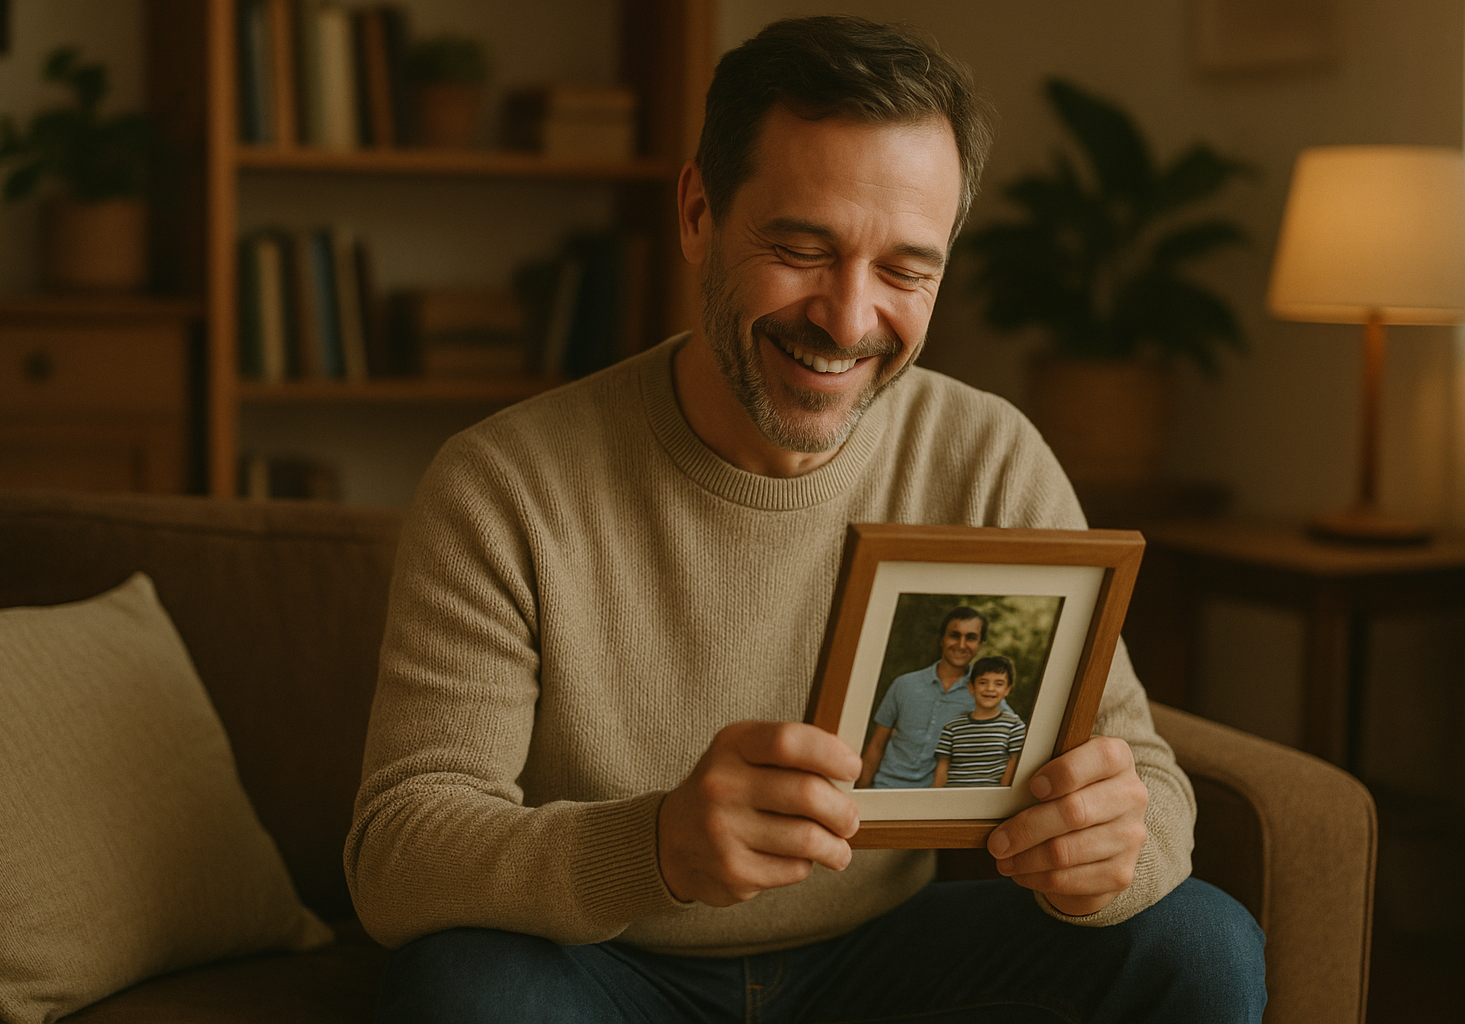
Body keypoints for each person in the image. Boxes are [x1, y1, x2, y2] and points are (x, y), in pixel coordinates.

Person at [347, 15, 1266, 1023]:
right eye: (801, 247)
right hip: (608, 972)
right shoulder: (503, 486)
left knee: (1203, 944)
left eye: (906, 270)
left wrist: (1109, 854)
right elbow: (401, 849)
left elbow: (1144, 775)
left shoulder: (988, 457)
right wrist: (653, 847)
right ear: (699, 211)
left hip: (889, 964)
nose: (847, 316)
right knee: (458, 990)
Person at [858, 606, 1003, 788]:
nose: (961, 644)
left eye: (971, 638)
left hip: (933, 800)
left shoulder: (986, 693)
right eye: (954, 635)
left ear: (981, 645)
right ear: (942, 639)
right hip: (885, 787)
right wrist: (861, 792)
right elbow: (877, 744)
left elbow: (1011, 741)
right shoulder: (905, 684)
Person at [933, 655, 1027, 788]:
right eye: (983, 682)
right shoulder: (952, 727)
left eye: (999, 684)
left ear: (1007, 689)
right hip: (952, 798)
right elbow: (942, 769)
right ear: (971, 687)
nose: (990, 688)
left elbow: (1013, 765)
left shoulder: (1014, 726)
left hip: (989, 800)